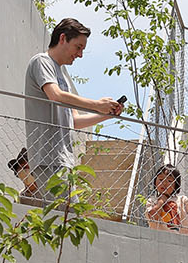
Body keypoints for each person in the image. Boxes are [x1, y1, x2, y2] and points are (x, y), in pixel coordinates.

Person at [23, 19, 123, 196]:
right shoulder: (42, 61)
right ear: (63, 38)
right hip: (47, 157)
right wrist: (97, 104)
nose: (80, 54)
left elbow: (74, 121)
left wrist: (106, 114)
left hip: (63, 160)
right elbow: (55, 95)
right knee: (67, 218)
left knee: (65, 217)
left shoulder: (62, 75)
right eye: (78, 47)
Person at [146, 165, 188, 234]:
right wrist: (161, 201)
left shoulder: (181, 200)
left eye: (169, 180)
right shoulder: (152, 201)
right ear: (155, 181)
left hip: (184, 237)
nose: (164, 183)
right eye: (161, 179)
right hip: (160, 237)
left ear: (176, 185)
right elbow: (152, 217)